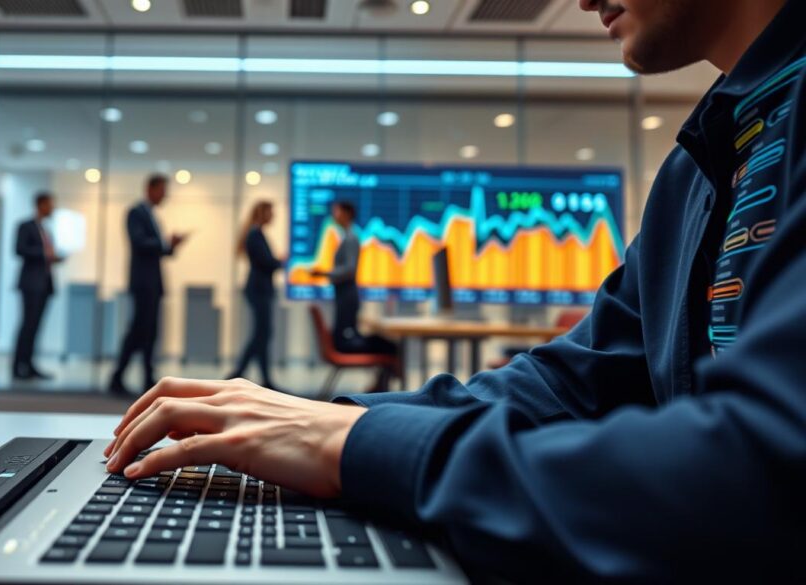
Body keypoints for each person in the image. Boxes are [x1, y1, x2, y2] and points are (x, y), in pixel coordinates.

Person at [105, 0, 806, 581]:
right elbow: (570, 383)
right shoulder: (699, 167)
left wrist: (359, 446)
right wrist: (322, 421)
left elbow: (760, 479)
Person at [109, 175, 187, 395]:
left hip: (152, 282)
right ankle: (118, 377)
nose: (165, 195)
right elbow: (140, 243)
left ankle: (146, 377)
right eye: (162, 190)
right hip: (143, 282)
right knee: (138, 330)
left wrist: (171, 246)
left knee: (149, 331)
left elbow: (158, 250)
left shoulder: (152, 215)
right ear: (150, 189)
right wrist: (164, 244)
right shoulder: (136, 212)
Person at [311, 201, 397, 389]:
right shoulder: (349, 237)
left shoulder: (350, 238)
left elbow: (349, 270)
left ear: (347, 214)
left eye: (337, 211)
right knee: (392, 347)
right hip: (344, 342)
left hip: (346, 311)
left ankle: (379, 391)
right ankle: (380, 391)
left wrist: (324, 274)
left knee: (386, 344)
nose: (334, 215)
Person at [226, 201, 284, 388]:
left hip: (260, 289)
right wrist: (280, 261)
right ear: (263, 212)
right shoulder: (255, 234)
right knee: (261, 334)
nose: (273, 216)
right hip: (258, 289)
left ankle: (256, 377)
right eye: (271, 212)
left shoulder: (256, 233)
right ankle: (240, 374)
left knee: (262, 334)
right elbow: (266, 262)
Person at [12, 192, 61, 380]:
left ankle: (30, 364)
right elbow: (19, 249)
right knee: (27, 325)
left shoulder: (46, 230)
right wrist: (45, 254)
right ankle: (18, 367)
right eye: (50, 204)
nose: (52, 208)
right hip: (30, 284)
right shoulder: (25, 226)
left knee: (36, 326)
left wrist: (54, 258)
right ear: (40, 205)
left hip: (45, 284)